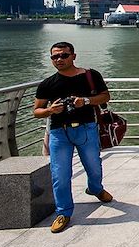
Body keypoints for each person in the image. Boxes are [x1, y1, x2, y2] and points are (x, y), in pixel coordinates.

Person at [33, 42, 113, 234]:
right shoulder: (47, 84)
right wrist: (50, 110)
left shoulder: (90, 76)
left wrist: (85, 101)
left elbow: (105, 96)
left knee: (94, 167)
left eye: (64, 55)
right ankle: (64, 212)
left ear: (73, 56)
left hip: (86, 129)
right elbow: (36, 111)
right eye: (55, 57)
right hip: (59, 133)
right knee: (60, 175)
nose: (59, 60)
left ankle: (95, 188)